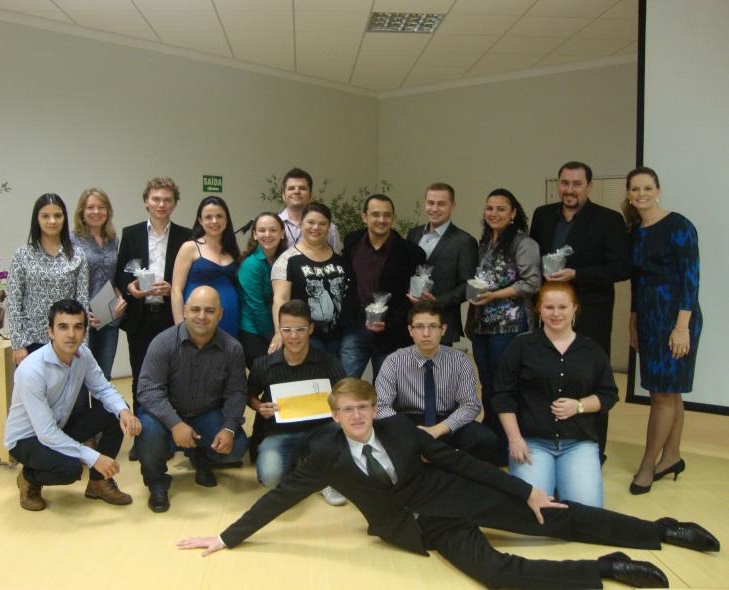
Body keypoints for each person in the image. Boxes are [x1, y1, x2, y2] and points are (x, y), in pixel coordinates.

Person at [178, 378, 720, 590]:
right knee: (496, 574)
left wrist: (524, 490)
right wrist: (226, 537)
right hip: (423, 527)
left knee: (557, 515)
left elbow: (459, 462)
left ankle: (661, 530)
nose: (358, 417)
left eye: (364, 408)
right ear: (335, 414)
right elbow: (280, 497)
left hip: (454, 495)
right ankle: (605, 568)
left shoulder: (398, 428)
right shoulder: (324, 454)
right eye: (348, 411)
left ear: (373, 408)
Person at [530, 161, 630, 461]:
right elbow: (535, 258)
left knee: (590, 379)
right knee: (547, 376)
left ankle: (593, 450)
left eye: (576, 184)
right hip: (550, 313)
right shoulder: (543, 215)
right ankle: (551, 442)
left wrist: (577, 274)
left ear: (589, 186)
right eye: (565, 183)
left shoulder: (609, 219)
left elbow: (621, 268)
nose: (569, 189)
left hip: (591, 315)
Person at [4, 299, 141, 511]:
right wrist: (94, 457)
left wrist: (124, 411)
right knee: (69, 470)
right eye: (63, 327)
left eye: (78, 327)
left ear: (85, 331)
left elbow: (103, 388)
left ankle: (98, 483)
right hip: (27, 439)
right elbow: (46, 433)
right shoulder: (31, 370)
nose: (71, 334)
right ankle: (29, 478)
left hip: (59, 426)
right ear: (50, 332)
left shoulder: (83, 354)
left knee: (114, 412)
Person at [492, 281, 618, 507]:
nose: (556, 313)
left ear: (575, 308)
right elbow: (503, 395)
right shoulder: (521, 347)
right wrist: (515, 439)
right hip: (531, 442)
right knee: (533, 512)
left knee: (587, 513)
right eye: (549, 307)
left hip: (578, 442)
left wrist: (579, 406)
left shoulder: (592, 350)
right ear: (539, 309)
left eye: (563, 307)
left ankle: (562, 482)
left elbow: (608, 394)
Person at [622, 166, 702, 495]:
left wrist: (681, 327)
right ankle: (671, 456)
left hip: (676, 318)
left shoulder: (679, 225)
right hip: (649, 319)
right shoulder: (635, 232)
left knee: (662, 395)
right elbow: (637, 282)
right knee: (669, 392)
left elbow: (691, 278)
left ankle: (647, 464)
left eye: (647, 188)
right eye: (635, 189)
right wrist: (634, 321)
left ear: (658, 189)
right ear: (629, 194)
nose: (641, 194)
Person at [136, 286, 249, 513]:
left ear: (220, 314)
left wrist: (228, 427)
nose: (202, 316)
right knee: (147, 430)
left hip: (205, 413)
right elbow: (148, 390)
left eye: (210, 311)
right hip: (164, 416)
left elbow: (236, 392)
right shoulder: (163, 343)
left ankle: (201, 457)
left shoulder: (232, 348)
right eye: (196, 309)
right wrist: (175, 424)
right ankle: (157, 483)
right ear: (185, 310)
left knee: (237, 446)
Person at [248, 299, 347, 505]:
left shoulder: (328, 362)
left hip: (321, 431)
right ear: (279, 329)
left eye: (300, 329)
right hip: (279, 433)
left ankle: (321, 475)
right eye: (287, 330)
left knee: (345, 435)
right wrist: (259, 407)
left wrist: (337, 407)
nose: (293, 336)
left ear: (310, 328)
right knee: (270, 477)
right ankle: (307, 466)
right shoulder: (263, 364)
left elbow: (346, 394)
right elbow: (249, 395)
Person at [468, 188, 541, 465]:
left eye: (500, 209)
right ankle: (492, 442)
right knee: (487, 386)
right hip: (482, 326)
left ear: (513, 213)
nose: (493, 213)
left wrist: (495, 295)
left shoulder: (523, 243)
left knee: (505, 387)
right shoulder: (485, 242)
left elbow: (532, 283)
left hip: (510, 326)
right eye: (489, 208)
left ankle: (509, 445)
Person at [375, 299, 496, 462]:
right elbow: (382, 407)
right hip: (407, 422)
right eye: (419, 327)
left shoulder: (459, 360)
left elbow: (470, 405)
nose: (426, 333)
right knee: (379, 435)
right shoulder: (394, 361)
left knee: (485, 440)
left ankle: (453, 471)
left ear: (443, 329)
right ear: (410, 330)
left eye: (433, 326)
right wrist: (412, 433)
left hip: (447, 421)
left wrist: (438, 429)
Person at [115, 176, 191, 423]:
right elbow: (121, 273)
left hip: (171, 316)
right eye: (156, 199)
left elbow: (190, 277)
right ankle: (144, 431)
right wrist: (130, 288)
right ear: (146, 201)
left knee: (173, 374)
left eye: (167, 200)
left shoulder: (186, 236)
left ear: (174, 203)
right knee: (141, 375)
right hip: (140, 316)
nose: (161, 204)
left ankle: (171, 428)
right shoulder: (131, 233)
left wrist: (174, 289)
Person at [340, 194, 425, 380]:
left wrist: (391, 323)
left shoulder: (412, 253)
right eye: (375, 214)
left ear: (393, 218)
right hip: (355, 328)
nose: (381, 220)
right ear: (364, 217)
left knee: (387, 390)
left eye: (387, 215)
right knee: (345, 386)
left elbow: (412, 298)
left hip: (392, 333)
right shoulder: (352, 242)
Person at [9, 193, 89, 366]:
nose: (52, 221)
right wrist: (18, 344)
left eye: (57, 216)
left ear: (64, 218)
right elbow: (14, 302)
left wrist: (83, 341)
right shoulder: (22, 255)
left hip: (67, 340)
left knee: (69, 384)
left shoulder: (77, 255)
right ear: (37, 219)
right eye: (45, 216)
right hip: (31, 341)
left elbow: (82, 301)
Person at [271, 202, 351, 357]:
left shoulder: (339, 259)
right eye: (311, 222)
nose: (316, 228)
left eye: (322, 224)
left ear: (329, 227)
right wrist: (279, 332)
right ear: (302, 224)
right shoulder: (287, 260)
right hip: (306, 336)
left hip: (339, 336)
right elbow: (280, 299)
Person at [406, 182, 477, 344]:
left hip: (442, 323)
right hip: (412, 322)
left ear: (453, 205)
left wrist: (437, 300)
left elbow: (468, 285)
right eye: (430, 203)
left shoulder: (464, 241)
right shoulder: (414, 234)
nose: (435, 208)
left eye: (441, 204)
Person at [71, 187, 127, 380]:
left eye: (101, 207)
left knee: (103, 376)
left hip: (109, 316)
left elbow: (114, 277)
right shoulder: (72, 240)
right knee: (79, 376)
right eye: (91, 207)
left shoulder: (113, 240)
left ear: (108, 211)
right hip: (80, 317)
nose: (96, 212)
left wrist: (121, 297)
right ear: (82, 211)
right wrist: (82, 313)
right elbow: (68, 282)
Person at [172, 195, 241, 338]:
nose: (214, 221)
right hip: (198, 321)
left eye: (219, 216)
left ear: (226, 220)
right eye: (208, 217)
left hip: (231, 321)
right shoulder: (190, 247)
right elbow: (176, 290)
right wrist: (179, 327)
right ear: (200, 220)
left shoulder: (232, 250)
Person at [237, 212, 287, 369]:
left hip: (278, 330)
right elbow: (256, 307)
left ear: (282, 233)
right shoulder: (251, 264)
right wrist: (276, 335)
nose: (267, 234)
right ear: (255, 234)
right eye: (262, 230)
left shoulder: (284, 260)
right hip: (254, 331)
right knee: (271, 373)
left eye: (273, 230)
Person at [278, 167, 342, 253]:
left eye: (302, 188)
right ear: (283, 195)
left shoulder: (329, 229)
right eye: (291, 188)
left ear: (311, 195)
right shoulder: (273, 226)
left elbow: (336, 258)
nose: (296, 191)